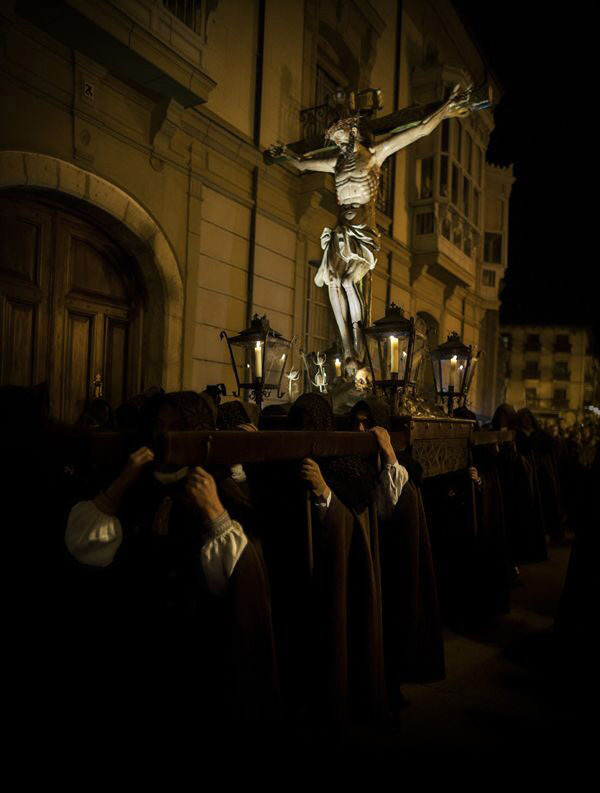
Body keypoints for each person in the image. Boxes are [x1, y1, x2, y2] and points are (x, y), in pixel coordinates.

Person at [64, 390, 280, 730]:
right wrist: (121, 483)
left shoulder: (219, 488)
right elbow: (83, 546)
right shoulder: (134, 482)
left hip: (194, 654)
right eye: (160, 425)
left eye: (178, 427)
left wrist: (215, 513)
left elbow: (242, 579)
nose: (166, 435)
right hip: (134, 647)